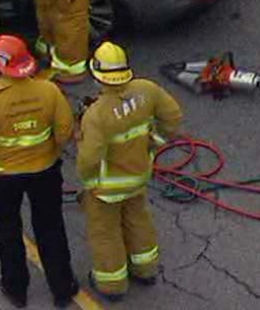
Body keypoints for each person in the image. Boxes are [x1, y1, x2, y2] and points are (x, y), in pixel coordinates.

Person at [0, 34, 79, 308]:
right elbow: (64, 133)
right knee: (51, 228)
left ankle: (16, 290)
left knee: (8, 231)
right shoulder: (49, 92)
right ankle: (62, 288)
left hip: (3, 178)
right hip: (46, 172)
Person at [76, 41, 183, 300]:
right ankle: (145, 269)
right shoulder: (147, 90)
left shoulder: (96, 115)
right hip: (139, 176)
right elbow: (173, 117)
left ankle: (112, 285)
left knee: (106, 233)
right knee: (138, 220)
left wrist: (90, 183)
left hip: (107, 188)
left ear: (98, 74)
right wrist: (154, 145)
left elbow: (89, 158)